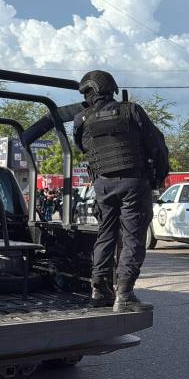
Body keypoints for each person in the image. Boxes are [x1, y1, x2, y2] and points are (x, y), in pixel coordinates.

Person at [73, 70, 169, 312]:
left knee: (105, 234)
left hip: (102, 185)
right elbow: (158, 146)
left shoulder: (82, 119)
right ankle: (124, 294)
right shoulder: (130, 111)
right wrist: (157, 178)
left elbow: (82, 147)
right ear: (110, 88)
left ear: (89, 92)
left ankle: (99, 289)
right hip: (133, 183)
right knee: (132, 238)